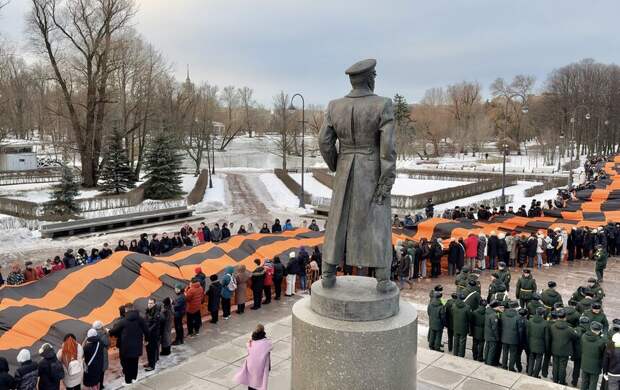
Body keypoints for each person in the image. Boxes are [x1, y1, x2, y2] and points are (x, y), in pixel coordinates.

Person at [109, 304, 149, 384]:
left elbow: (113, 331)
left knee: (127, 365)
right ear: (133, 309)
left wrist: (108, 331)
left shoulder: (123, 321)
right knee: (135, 363)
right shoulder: (140, 319)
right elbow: (147, 331)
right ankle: (134, 378)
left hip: (126, 348)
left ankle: (128, 381)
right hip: (137, 346)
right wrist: (146, 340)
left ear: (126, 310)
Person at [234, 324, 273, 390]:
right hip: (261, 365)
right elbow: (271, 347)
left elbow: (248, 347)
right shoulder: (266, 343)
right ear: (263, 331)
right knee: (259, 382)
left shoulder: (251, 342)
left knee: (251, 381)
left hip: (251, 364)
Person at [549, 308, 578, 385]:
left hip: (555, 348)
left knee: (555, 364)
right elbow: (575, 337)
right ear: (565, 318)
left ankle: (555, 379)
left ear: (558, 317)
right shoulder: (569, 329)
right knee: (562, 366)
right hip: (565, 350)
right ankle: (561, 381)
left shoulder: (552, 326)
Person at [580, 321, 607, 390]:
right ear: (600, 330)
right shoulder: (601, 341)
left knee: (584, 382)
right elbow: (603, 352)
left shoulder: (583, 336)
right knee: (593, 383)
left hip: (585, 363)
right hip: (595, 366)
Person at [527, 307, 548, 378]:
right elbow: (546, 337)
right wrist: (547, 347)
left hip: (531, 343)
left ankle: (529, 373)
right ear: (543, 314)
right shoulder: (545, 323)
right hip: (540, 345)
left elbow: (527, 333)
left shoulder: (530, 320)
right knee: (539, 360)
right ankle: (535, 374)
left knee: (531, 358)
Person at [501, 301, 519, 371]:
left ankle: (504, 365)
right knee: (513, 353)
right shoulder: (518, 316)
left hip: (504, 336)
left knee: (505, 352)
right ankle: (511, 367)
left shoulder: (503, 314)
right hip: (513, 338)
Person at [451, 293, 471, 357]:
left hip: (456, 325)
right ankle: (461, 354)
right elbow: (469, 317)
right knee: (462, 341)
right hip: (463, 327)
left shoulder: (454, 305)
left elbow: (452, 314)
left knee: (456, 339)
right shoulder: (467, 307)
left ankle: (455, 353)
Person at [484, 301, 502, 366]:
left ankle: (486, 361)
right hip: (492, 336)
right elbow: (495, 328)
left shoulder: (488, 311)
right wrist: (497, 337)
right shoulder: (494, 315)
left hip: (487, 334)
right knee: (491, 351)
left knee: (487, 348)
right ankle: (489, 363)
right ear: (496, 307)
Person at [92, 321, 109, 389]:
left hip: (95, 356)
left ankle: (96, 386)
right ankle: (100, 386)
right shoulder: (103, 334)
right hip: (103, 355)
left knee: (96, 372)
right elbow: (107, 343)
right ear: (101, 327)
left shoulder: (92, 334)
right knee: (101, 372)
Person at [145, 298, 161, 371]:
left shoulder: (156, 313)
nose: (149, 304)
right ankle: (150, 362)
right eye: (148, 303)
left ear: (154, 304)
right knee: (148, 349)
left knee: (152, 350)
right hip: (148, 334)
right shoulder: (148, 311)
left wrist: (148, 330)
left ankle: (152, 366)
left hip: (153, 334)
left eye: (151, 303)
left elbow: (155, 324)